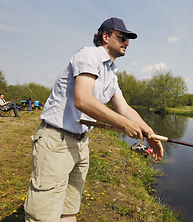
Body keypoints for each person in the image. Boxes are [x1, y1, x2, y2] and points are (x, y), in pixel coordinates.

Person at [24, 17, 164, 222]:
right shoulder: (89, 55)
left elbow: (124, 108)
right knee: (43, 217)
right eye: (122, 37)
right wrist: (124, 124)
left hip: (80, 144)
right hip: (56, 141)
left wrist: (149, 133)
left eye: (128, 39)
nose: (127, 43)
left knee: (69, 210)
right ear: (105, 37)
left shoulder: (111, 73)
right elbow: (83, 100)